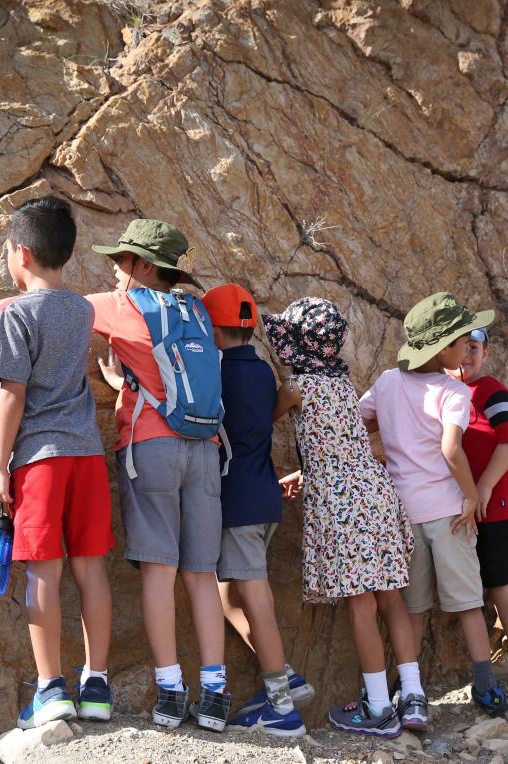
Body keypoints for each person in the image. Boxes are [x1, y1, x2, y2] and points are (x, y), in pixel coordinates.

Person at [0, 197, 116, 729]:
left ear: (23, 253)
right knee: (91, 568)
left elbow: (11, 395)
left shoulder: (17, 316)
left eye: (9, 251)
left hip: (39, 459)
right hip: (86, 454)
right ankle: (97, 684)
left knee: (43, 570)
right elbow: (33, 306)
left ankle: (51, 688)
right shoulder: (80, 308)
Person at [88, 220, 231, 732]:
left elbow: (35, 307)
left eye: (122, 260)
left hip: (151, 446)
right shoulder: (196, 310)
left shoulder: (122, 305)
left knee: (158, 570)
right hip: (205, 447)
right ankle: (215, 693)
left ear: (144, 267)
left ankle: (171, 689)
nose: (115, 268)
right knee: (201, 574)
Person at [265, 298, 419, 739]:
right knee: (391, 598)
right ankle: (412, 696)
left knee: (361, 605)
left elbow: (260, 423)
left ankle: (376, 706)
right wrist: (306, 470)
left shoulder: (296, 387)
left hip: (340, 501)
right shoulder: (342, 384)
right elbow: (344, 446)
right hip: (375, 490)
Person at [360, 292, 508, 717]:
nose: (467, 348)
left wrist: (384, 449)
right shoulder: (452, 390)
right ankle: (484, 683)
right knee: (466, 602)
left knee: (413, 607)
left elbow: (357, 422)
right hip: (448, 511)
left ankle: (408, 686)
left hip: (401, 514)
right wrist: (470, 494)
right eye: (463, 341)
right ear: (443, 348)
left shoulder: (388, 382)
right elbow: (451, 449)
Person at [193, 283, 310, 739]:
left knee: (253, 595)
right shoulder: (262, 372)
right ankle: (285, 676)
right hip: (263, 496)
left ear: (209, 325)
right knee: (228, 595)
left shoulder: (215, 373)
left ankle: (281, 704)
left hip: (236, 501)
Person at [453, 328, 508, 676]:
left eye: (473, 348)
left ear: (486, 354)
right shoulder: (452, 391)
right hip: (478, 502)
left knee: (495, 577)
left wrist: (486, 486)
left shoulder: (491, 390)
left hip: (496, 502)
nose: (466, 355)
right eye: (459, 347)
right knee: (486, 570)